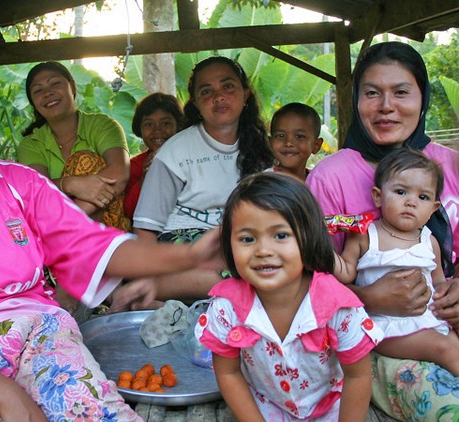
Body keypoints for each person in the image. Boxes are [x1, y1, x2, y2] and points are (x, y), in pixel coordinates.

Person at [0, 37, 223, 421]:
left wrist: (188, 254)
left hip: (38, 336)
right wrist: (6, 394)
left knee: (96, 412)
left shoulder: (19, 183)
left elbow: (93, 245)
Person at [307, 41, 459, 419]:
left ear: (422, 99)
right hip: (372, 341)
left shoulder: (451, 165)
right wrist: (369, 298)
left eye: (401, 92)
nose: (386, 106)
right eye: (372, 93)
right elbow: (307, 278)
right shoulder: (331, 178)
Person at [196, 172, 383, 421]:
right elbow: (228, 373)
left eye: (281, 235)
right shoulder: (225, 307)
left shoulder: (339, 306)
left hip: (331, 409)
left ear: (309, 237)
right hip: (262, 407)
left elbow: (357, 376)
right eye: (247, 239)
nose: (263, 250)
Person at [125, 56, 274, 307]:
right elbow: (146, 228)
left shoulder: (260, 148)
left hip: (237, 243)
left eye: (228, 86)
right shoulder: (175, 152)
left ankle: (176, 300)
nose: (219, 96)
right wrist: (146, 275)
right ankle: (150, 291)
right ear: (195, 102)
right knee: (245, 269)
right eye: (207, 91)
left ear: (245, 94)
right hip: (182, 243)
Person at [334, 148, 459, 376]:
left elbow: (439, 281)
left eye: (423, 197)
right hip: (387, 327)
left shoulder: (429, 241)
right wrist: (326, 252)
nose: (411, 202)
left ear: (433, 208)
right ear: (378, 196)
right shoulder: (365, 236)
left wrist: (446, 298)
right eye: (401, 192)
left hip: (430, 320)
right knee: (446, 349)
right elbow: (344, 273)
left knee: (451, 343)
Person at [17, 61, 131, 232]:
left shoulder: (102, 125)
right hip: (54, 225)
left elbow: (119, 173)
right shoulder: (31, 143)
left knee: (85, 160)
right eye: (38, 90)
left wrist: (70, 221)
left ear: (72, 87)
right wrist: (70, 184)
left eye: (55, 83)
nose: (48, 93)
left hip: (96, 229)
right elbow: (38, 193)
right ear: (33, 102)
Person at [124, 92, 185, 220]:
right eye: (149, 124)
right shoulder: (135, 166)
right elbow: (129, 212)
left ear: (178, 125)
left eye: (165, 123)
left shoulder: (191, 159)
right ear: (139, 129)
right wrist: (145, 179)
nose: (157, 131)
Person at [267, 102, 323, 181]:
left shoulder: (319, 183)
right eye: (280, 136)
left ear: (316, 145)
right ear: (270, 143)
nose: (289, 143)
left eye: (299, 136)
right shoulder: (263, 184)